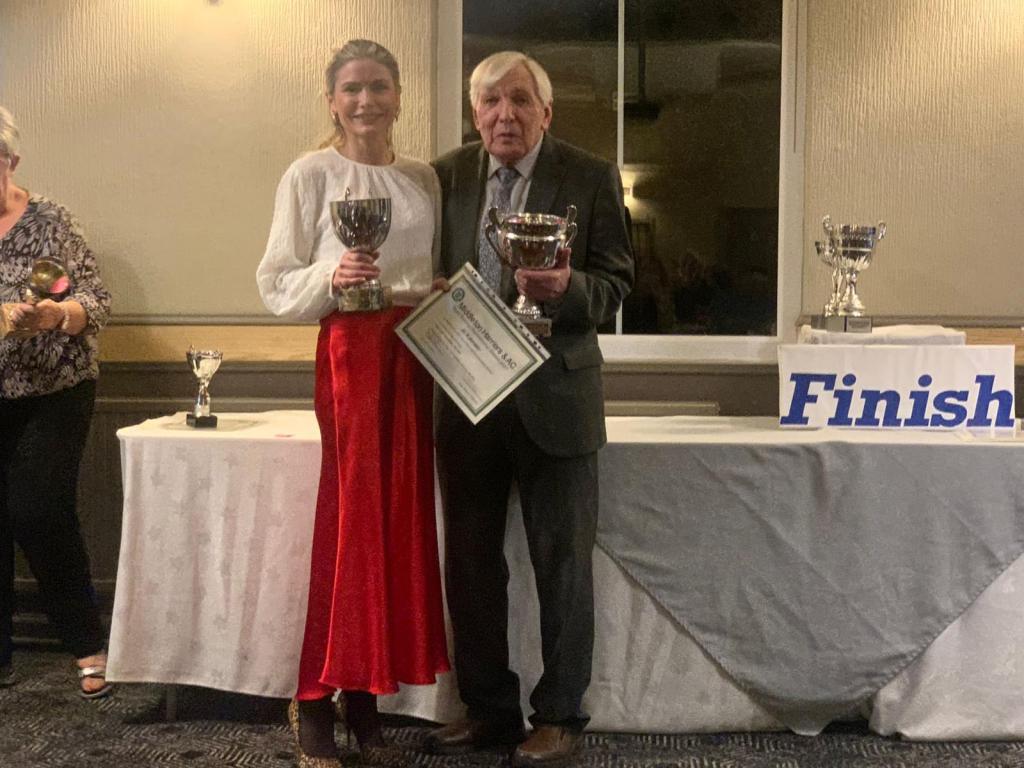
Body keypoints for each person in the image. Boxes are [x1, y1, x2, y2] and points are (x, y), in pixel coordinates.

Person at [427, 52, 634, 767]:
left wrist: (566, 288)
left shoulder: (590, 175)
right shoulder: (445, 176)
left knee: (563, 567)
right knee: (470, 566)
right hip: (467, 397)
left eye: (520, 100)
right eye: (490, 101)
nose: (504, 114)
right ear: (474, 112)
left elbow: (617, 284)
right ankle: (487, 711)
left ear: (546, 112)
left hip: (558, 398)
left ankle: (560, 715)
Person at [256, 40, 449, 768]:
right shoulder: (310, 174)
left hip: (412, 356)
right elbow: (276, 281)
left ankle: (366, 695)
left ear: (399, 96)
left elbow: (418, 272)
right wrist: (333, 275)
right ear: (332, 101)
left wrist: (431, 292)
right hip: (350, 353)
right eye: (351, 89)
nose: (366, 101)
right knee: (351, 521)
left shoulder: (421, 178)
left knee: (397, 523)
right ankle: (314, 697)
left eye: (378, 87)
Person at [0, 106, 113, 698]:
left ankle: (86, 644)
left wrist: (55, 315)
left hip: (56, 387)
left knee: (39, 508)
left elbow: (94, 299)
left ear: (11, 161)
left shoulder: (50, 221)